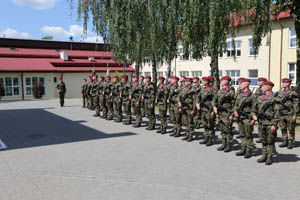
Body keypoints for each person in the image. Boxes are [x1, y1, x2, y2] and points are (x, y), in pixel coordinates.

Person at [252, 81, 280, 165]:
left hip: (270, 123)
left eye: (263, 86)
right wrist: (253, 115)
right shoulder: (260, 98)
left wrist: (274, 125)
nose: (261, 88)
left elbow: (277, 113)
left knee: (270, 141)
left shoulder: (275, 98)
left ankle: (269, 157)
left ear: (269, 87)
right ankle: (264, 155)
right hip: (261, 123)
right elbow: (254, 109)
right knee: (264, 141)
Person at [213, 76, 235, 152]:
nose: (221, 82)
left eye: (222, 81)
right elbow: (214, 100)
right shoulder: (219, 91)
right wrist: (214, 107)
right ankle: (224, 143)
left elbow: (234, 104)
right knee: (222, 129)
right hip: (220, 113)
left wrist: (232, 115)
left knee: (228, 129)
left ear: (226, 82)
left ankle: (229, 145)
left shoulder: (231, 92)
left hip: (227, 114)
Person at [234, 78, 255, 158]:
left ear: (246, 84)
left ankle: (249, 150)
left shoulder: (252, 96)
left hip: (247, 117)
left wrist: (253, 119)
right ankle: (243, 148)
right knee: (242, 133)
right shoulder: (240, 95)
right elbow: (236, 105)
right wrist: (235, 111)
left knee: (248, 134)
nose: (240, 85)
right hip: (240, 117)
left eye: (241, 83)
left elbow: (254, 108)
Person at [276, 78, 299, 149]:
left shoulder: (293, 93)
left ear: (288, 83)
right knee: (283, 128)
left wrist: (295, 114)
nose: (282, 84)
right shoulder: (279, 92)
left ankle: (291, 142)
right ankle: (284, 141)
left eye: (283, 83)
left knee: (291, 128)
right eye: (282, 82)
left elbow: (296, 104)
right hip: (281, 113)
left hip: (290, 113)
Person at [196, 76, 216, 146]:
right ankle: (206, 137)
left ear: (207, 82)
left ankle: (210, 139)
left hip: (209, 110)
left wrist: (213, 111)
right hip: (202, 109)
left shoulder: (212, 89)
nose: (202, 82)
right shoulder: (202, 88)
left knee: (210, 124)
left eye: (204, 81)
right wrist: (197, 103)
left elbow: (214, 100)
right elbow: (198, 97)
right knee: (204, 124)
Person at [178, 77, 196, 142]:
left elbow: (195, 101)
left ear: (190, 82)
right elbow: (179, 96)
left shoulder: (193, 90)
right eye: (185, 81)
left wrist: (193, 110)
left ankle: (191, 135)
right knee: (185, 121)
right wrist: (179, 102)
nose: (185, 82)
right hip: (183, 107)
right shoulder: (184, 89)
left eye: (186, 81)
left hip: (189, 108)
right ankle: (187, 134)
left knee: (190, 122)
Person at [254, 77, 267, 143]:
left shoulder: (266, 89)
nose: (258, 82)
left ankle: (266, 137)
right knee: (260, 123)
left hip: (265, 108)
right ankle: (261, 137)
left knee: (265, 123)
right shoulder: (258, 89)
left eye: (259, 81)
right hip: (258, 108)